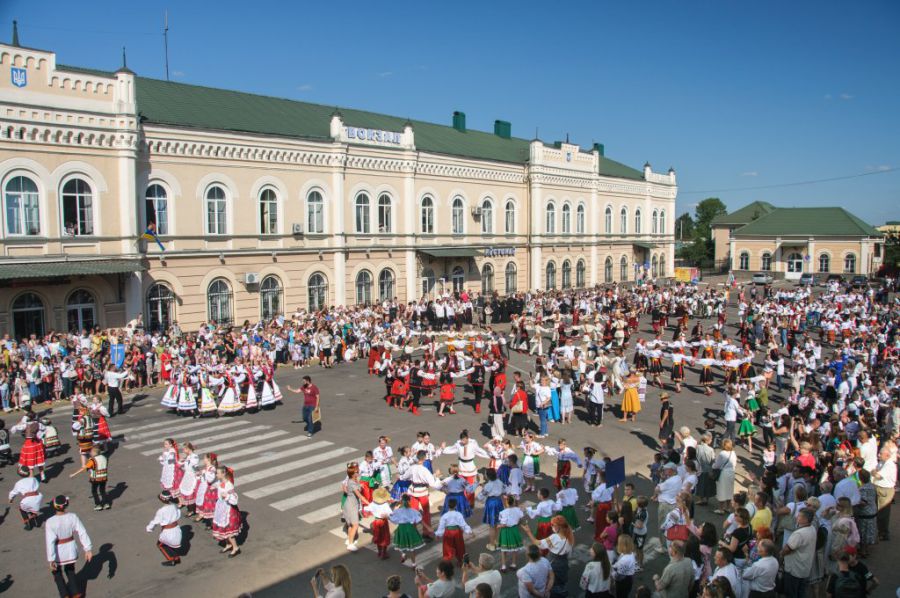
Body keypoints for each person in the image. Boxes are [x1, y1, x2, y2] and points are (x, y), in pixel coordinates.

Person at [45, 495, 93, 598]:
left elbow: (50, 541)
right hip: (70, 550)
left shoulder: (50, 522)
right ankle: (76, 593)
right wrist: (87, 549)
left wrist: (51, 559)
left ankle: (65, 594)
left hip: (58, 551)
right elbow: (82, 532)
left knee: (57, 573)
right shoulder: (73, 517)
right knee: (70, 571)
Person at [781, 508, 817, 597]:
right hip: (804, 568)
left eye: (799, 516)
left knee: (791, 593)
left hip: (794, 569)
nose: (797, 517)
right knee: (801, 592)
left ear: (805, 519)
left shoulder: (800, 533)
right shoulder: (812, 528)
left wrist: (781, 553)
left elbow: (788, 549)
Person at [146, 490, 183, 566]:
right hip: (176, 529)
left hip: (168, 531)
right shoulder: (174, 506)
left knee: (160, 545)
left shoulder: (162, 510)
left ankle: (172, 559)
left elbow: (155, 521)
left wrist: (149, 528)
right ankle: (175, 558)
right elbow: (179, 514)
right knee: (168, 544)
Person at [69, 445, 110, 510]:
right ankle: (106, 504)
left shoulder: (92, 460)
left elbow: (83, 469)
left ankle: (98, 504)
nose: (90, 453)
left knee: (94, 491)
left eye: (91, 451)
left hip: (95, 478)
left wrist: (73, 474)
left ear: (94, 452)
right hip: (104, 477)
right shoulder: (104, 457)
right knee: (102, 490)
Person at [9, 465, 43, 530]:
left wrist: (11, 499)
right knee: (32, 507)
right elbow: (37, 485)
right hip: (38, 497)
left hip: (27, 499)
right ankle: (35, 519)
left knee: (22, 509)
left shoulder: (19, 483)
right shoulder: (34, 479)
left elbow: (13, 492)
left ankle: (27, 523)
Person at [712, 439, 736, 514]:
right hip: (731, 472)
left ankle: (721, 509)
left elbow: (717, 465)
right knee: (729, 490)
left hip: (724, 473)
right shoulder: (733, 453)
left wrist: (713, 466)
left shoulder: (722, 453)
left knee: (722, 490)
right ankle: (728, 507)